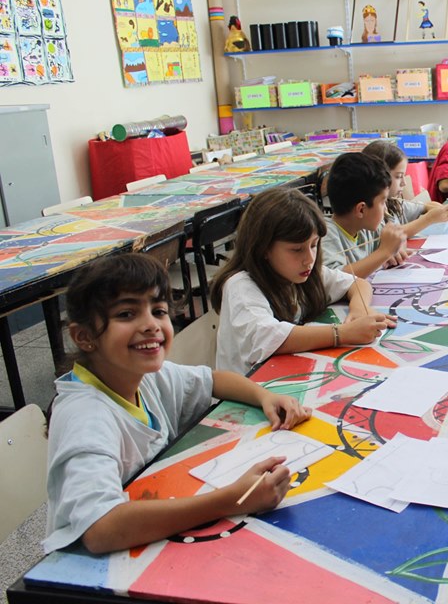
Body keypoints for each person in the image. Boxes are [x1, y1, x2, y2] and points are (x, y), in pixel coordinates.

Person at [44, 253, 313, 554]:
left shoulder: (140, 374)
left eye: (158, 311)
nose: (151, 325)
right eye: (126, 314)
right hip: (90, 572)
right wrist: (233, 499)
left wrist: (265, 396)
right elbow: (101, 529)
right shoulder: (86, 418)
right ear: (84, 336)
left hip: (154, 518)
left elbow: (213, 380)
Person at [211, 188, 393, 375]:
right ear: (263, 248)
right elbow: (270, 338)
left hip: (286, 374)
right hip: (248, 391)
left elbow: (358, 284)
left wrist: (359, 310)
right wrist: (343, 333)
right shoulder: (240, 286)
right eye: (297, 250)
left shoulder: (300, 271)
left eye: (314, 245)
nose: (309, 258)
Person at [321, 152, 408, 276]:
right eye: (383, 202)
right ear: (361, 209)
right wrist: (385, 252)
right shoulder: (326, 235)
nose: (385, 209)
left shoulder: (366, 225)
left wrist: (397, 248)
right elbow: (336, 279)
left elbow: (396, 237)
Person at [361, 140, 448, 235]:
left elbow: (425, 206)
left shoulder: (392, 202)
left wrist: (446, 212)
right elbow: (391, 236)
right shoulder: (370, 212)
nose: (404, 183)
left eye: (404, 176)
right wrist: (429, 219)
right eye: (398, 176)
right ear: (380, 176)